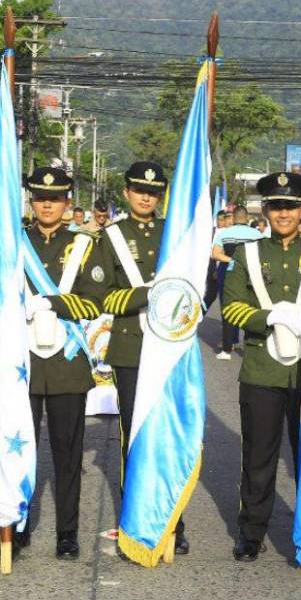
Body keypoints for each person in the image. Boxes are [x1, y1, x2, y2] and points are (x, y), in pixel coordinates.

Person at [221, 171, 301, 564]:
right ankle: (251, 531)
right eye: (276, 206)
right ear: (265, 210)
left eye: (291, 206)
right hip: (262, 370)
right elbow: (232, 307)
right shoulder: (248, 253)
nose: (284, 213)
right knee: (259, 456)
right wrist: (268, 318)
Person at [99, 160, 190, 556]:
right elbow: (99, 294)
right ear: (126, 192)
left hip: (170, 349)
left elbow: (197, 286)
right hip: (131, 348)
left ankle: (173, 522)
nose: (145, 196)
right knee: (133, 439)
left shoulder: (177, 233)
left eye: (152, 191)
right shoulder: (111, 237)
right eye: (139, 190)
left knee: (171, 436)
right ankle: (135, 519)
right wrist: (145, 294)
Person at [19, 167, 107, 559]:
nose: (47, 204)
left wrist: (53, 303)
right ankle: (17, 524)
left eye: (55, 198)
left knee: (67, 453)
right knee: (18, 450)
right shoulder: (13, 243)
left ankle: (66, 532)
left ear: (67, 203)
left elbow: (96, 299)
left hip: (67, 362)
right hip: (21, 363)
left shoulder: (86, 246)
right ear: (32, 201)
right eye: (40, 197)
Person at [210, 205, 262, 359]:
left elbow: (215, 254)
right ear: (246, 218)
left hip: (228, 272)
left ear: (233, 218)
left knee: (228, 309)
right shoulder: (257, 234)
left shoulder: (225, 233)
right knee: (251, 308)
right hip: (251, 274)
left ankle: (227, 348)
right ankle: (250, 348)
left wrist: (232, 260)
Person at [203, 211, 233, 312]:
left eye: (222, 219)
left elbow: (222, 253)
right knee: (210, 296)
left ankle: (227, 325)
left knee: (224, 299)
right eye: (218, 219)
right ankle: (195, 319)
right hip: (211, 266)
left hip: (221, 267)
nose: (219, 222)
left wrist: (218, 269)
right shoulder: (212, 231)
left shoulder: (227, 232)